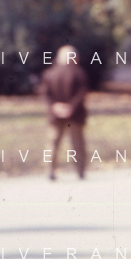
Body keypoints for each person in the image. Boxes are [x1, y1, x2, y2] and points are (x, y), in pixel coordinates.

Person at [40, 44, 88, 180]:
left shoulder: (49, 73)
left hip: (56, 114)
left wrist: (55, 106)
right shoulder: (79, 73)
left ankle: (50, 170)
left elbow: (45, 93)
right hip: (75, 114)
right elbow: (82, 94)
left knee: (53, 143)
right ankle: (80, 171)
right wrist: (71, 107)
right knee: (77, 143)